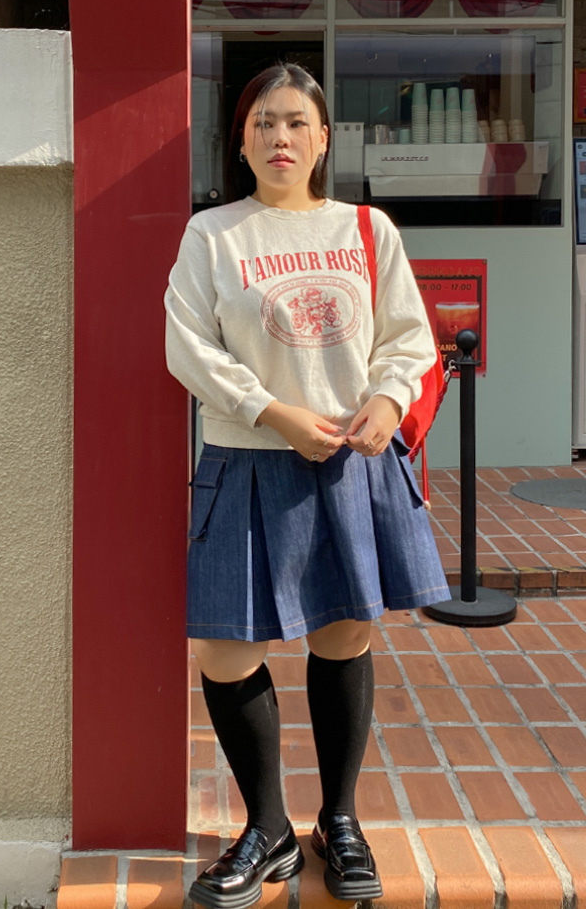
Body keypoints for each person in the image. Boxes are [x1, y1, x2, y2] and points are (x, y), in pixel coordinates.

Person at [164, 63, 451, 908]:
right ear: (241, 141)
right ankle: (268, 827)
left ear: (324, 139)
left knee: (343, 636)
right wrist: (272, 411)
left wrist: (388, 399)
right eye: (263, 123)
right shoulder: (212, 234)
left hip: (350, 462)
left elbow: (408, 336)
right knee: (226, 648)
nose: (280, 137)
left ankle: (339, 818)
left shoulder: (367, 228)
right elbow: (187, 345)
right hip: (247, 458)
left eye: (296, 122)